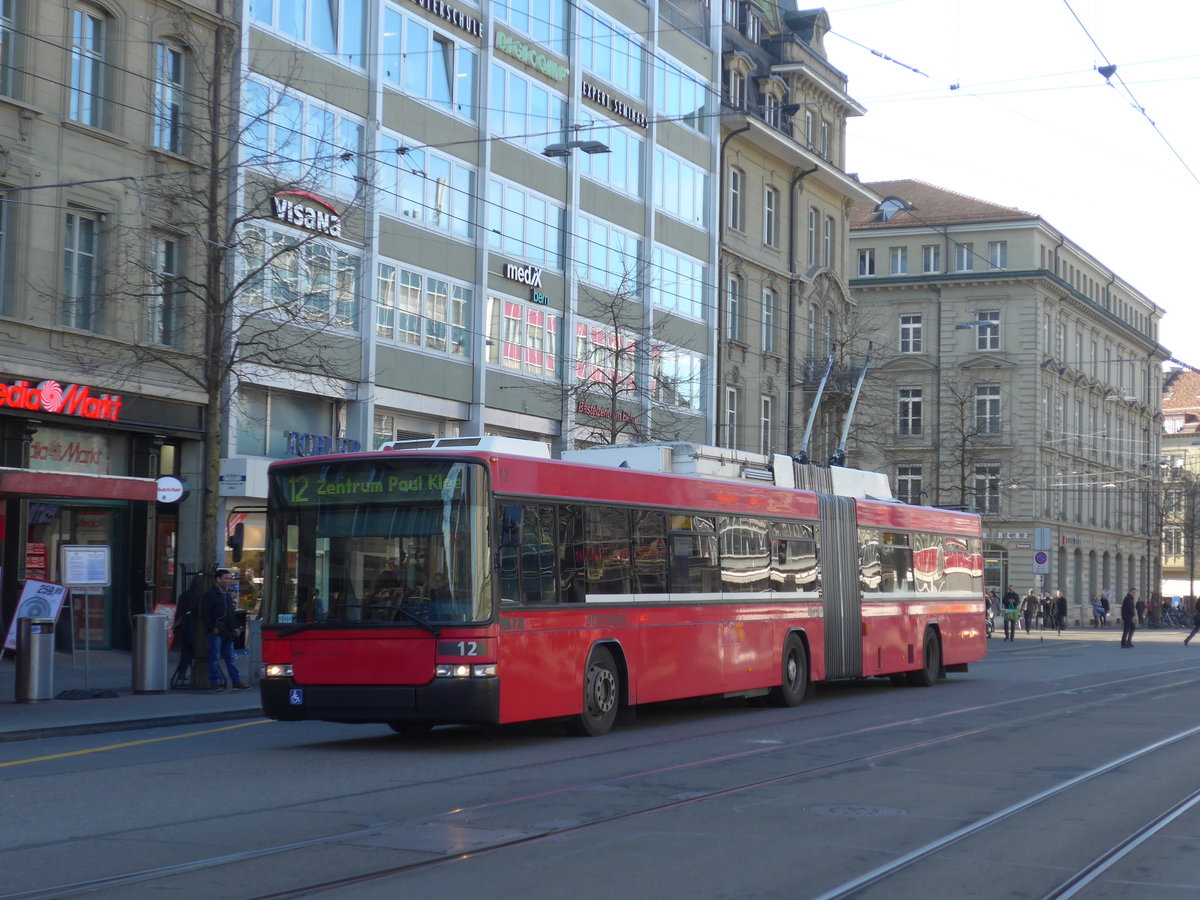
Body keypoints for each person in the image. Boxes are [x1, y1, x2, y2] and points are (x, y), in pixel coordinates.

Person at [203, 568, 250, 690]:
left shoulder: (225, 594)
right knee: (215, 657)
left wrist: (235, 627)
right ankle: (215, 682)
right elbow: (205, 613)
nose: (229, 581)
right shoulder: (211, 594)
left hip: (226, 630)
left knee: (230, 657)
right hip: (217, 629)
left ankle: (236, 681)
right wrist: (212, 627)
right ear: (218, 579)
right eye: (226, 578)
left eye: (230, 578)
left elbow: (230, 613)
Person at [171, 573, 204, 687]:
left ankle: (182, 672)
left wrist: (176, 625)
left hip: (185, 626)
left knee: (185, 652)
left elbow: (179, 612)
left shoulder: (184, 595)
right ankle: (195, 673)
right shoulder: (200, 596)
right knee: (195, 651)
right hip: (195, 627)